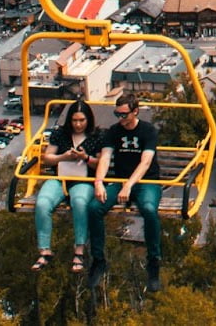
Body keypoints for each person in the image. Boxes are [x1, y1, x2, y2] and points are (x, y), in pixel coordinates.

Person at [87, 94, 164, 291]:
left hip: (146, 181)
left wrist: (129, 185)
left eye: (123, 114)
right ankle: (98, 259)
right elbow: (105, 158)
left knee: (148, 209)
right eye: (117, 114)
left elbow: (145, 162)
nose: (120, 118)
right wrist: (99, 182)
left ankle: (153, 261)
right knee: (95, 208)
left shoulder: (148, 131)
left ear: (135, 111)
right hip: (120, 181)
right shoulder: (113, 132)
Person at [31, 101, 102, 274]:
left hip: (83, 180)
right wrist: (63, 157)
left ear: (88, 120)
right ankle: (44, 249)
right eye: (74, 120)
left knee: (79, 202)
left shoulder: (96, 136)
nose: (78, 124)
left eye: (82, 120)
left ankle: (79, 250)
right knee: (42, 203)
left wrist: (85, 158)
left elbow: (100, 164)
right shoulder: (60, 134)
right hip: (60, 178)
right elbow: (48, 158)